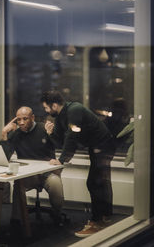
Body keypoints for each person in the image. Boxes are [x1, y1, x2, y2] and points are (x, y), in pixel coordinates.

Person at [40, 91, 114, 237]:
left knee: (94, 182)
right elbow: (62, 142)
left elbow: (72, 137)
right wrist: (51, 133)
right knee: (99, 181)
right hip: (97, 146)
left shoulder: (74, 110)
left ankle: (97, 222)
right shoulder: (61, 116)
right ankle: (105, 217)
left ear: (54, 105)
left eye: (46, 108)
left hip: (104, 145)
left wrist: (61, 160)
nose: (46, 111)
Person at [0, 106, 64, 226]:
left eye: (25, 119)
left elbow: (60, 145)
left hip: (46, 174)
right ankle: (16, 220)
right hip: (28, 175)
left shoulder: (43, 128)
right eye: (18, 120)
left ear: (32, 118)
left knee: (55, 183)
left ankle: (57, 214)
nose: (22, 122)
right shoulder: (16, 134)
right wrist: (4, 134)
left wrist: (51, 134)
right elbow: (5, 157)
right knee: (18, 186)